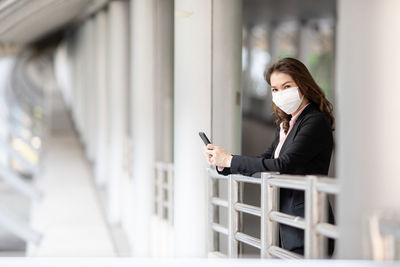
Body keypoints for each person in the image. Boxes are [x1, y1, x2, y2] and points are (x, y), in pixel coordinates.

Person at [203, 57, 335, 256]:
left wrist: (230, 159)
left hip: (307, 223)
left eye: (287, 86)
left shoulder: (314, 121)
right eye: (275, 89)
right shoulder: (287, 124)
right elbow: (264, 159)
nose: (280, 93)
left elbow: (283, 164)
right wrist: (224, 163)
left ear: (304, 85)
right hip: (286, 223)